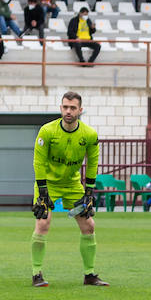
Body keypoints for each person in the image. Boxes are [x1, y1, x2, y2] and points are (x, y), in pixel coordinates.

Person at [30, 92, 106, 287]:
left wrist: (89, 192)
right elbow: (38, 162)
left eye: (72, 108)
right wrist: (43, 192)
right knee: (43, 223)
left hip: (73, 185)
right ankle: (36, 274)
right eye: (65, 107)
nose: (68, 111)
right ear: (60, 108)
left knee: (89, 226)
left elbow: (93, 163)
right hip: (48, 184)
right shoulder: (47, 131)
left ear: (80, 110)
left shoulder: (89, 134)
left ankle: (89, 275)